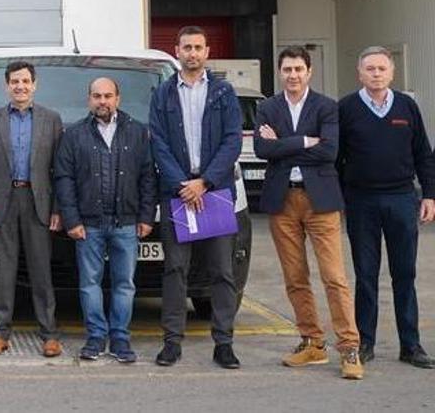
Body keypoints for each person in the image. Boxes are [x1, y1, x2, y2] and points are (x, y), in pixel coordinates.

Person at [254, 46, 362, 379]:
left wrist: (283, 144)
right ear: (280, 72)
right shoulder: (267, 107)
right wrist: (303, 141)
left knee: (334, 278)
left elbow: (329, 151)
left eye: (299, 69)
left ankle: (349, 349)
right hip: (282, 201)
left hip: (321, 202)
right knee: (295, 278)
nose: (293, 75)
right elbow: (262, 149)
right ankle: (312, 342)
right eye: (287, 69)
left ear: (309, 71)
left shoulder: (327, 106)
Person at [148, 26, 243, 369]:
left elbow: (232, 140)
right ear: (177, 51)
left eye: (198, 47)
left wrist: (204, 182)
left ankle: (224, 343)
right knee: (175, 269)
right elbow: (157, 141)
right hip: (177, 194)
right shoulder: (162, 94)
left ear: (207, 52)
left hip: (214, 192)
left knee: (221, 271)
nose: (192, 53)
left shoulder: (223, 92)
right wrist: (182, 185)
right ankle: (172, 342)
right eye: (186, 47)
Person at [338, 45, 435, 369]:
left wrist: (429, 195)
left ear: (392, 72)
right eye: (370, 69)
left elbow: (423, 153)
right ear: (360, 73)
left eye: (382, 68)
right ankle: (366, 342)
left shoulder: (407, 107)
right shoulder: (347, 108)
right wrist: (340, 199)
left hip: (401, 199)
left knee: (404, 274)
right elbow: (336, 159)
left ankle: (411, 345)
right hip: (361, 202)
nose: (376, 74)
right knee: (366, 276)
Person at [54, 76, 156, 363]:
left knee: (125, 283)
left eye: (108, 96)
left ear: (117, 99)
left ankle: (121, 338)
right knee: (89, 283)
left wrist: (146, 216)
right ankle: (96, 337)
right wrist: (72, 220)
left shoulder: (137, 132)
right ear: (89, 100)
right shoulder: (74, 135)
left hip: (126, 222)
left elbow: (148, 177)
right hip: (89, 224)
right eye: (97, 96)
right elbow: (64, 180)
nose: (102, 101)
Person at [0, 60, 62, 357]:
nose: (20, 86)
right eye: (15, 82)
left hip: (38, 203)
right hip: (3, 203)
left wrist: (57, 209)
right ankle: (0, 333)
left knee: (41, 272)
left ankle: (49, 334)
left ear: (34, 85)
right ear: (6, 86)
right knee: (4, 273)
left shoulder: (51, 119)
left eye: (25, 81)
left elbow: (58, 170)